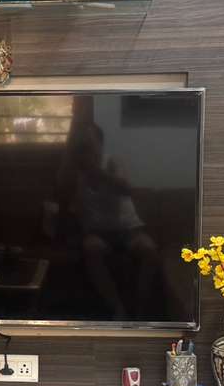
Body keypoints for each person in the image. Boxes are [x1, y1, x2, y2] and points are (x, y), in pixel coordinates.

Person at [59, 123, 158, 321]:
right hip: (97, 233)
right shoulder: (75, 171)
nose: (87, 150)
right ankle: (118, 309)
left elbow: (126, 189)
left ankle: (140, 311)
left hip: (128, 230)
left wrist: (98, 172)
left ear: (100, 144)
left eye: (90, 144)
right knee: (91, 249)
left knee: (149, 249)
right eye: (82, 146)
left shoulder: (112, 162)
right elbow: (65, 200)